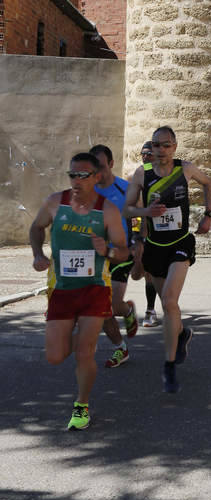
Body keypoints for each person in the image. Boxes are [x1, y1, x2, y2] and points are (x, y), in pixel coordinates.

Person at [29, 152, 128, 430]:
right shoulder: (54, 203)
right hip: (61, 288)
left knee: (85, 352)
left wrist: (106, 250)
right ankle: (76, 338)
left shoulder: (107, 209)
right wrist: (37, 254)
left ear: (96, 177)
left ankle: (81, 406)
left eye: (83, 175)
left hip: (94, 288)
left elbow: (122, 251)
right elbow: (36, 228)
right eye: (72, 174)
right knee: (55, 356)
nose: (76, 180)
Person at [123, 125, 211, 394]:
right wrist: (146, 211)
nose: (160, 150)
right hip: (154, 247)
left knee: (170, 301)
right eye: (155, 145)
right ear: (150, 148)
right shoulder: (141, 174)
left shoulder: (185, 169)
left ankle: (170, 365)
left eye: (165, 145)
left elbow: (208, 183)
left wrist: (209, 214)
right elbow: (127, 209)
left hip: (180, 243)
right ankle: (182, 333)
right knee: (167, 307)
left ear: (174, 147)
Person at [90, 144, 139, 369]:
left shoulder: (125, 189)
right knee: (102, 307)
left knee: (109, 305)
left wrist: (139, 241)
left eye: (101, 165)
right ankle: (122, 347)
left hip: (121, 254)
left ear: (111, 163)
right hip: (96, 257)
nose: (97, 171)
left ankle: (126, 310)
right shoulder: (88, 190)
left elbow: (140, 216)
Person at [138, 141, 160, 328]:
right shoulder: (140, 175)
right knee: (148, 273)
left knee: (164, 275)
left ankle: (168, 305)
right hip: (146, 230)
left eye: (149, 154)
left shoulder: (167, 174)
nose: (145, 157)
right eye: (143, 154)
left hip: (167, 232)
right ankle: (150, 309)